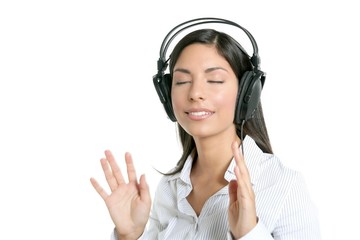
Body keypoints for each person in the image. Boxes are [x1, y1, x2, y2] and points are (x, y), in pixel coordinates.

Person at [90, 17, 321, 240]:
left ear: (246, 94)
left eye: (215, 80)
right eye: (181, 81)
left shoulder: (283, 185)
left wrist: (249, 234)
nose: (195, 93)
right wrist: (128, 236)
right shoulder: (169, 190)